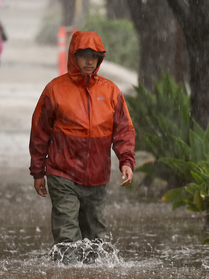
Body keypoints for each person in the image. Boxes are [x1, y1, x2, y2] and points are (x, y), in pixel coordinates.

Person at [29, 31, 136, 264]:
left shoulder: (111, 92)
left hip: (97, 178)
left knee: (96, 241)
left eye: (94, 56)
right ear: (73, 56)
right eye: (84, 55)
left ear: (100, 59)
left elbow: (123, 130)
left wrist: (126, 161)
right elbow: (39, 133)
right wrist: (38, 172)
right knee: (67, 237)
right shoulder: (55, 90)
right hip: (62, 174)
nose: (89, 61)